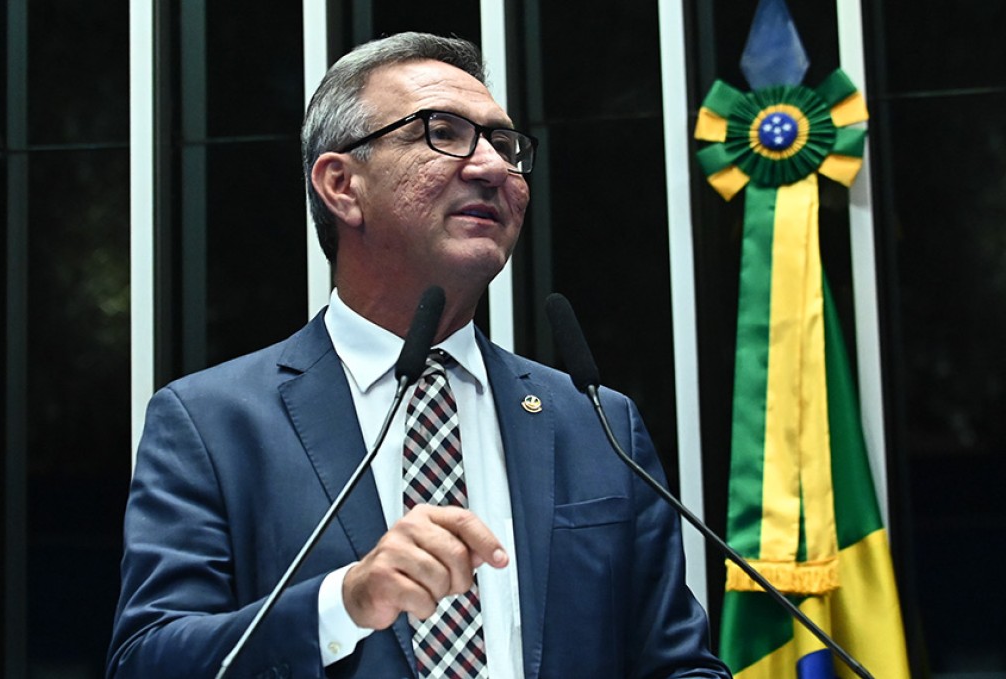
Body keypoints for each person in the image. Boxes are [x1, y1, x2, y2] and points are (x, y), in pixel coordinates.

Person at [107, 31, 731, 679]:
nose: (492, 167)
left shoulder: (597, 423)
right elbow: (146, 661)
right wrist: (344, 603)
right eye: (443, 133)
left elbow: (678, 666)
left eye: (504, 145)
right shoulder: (212, 423)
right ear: (341, 185)